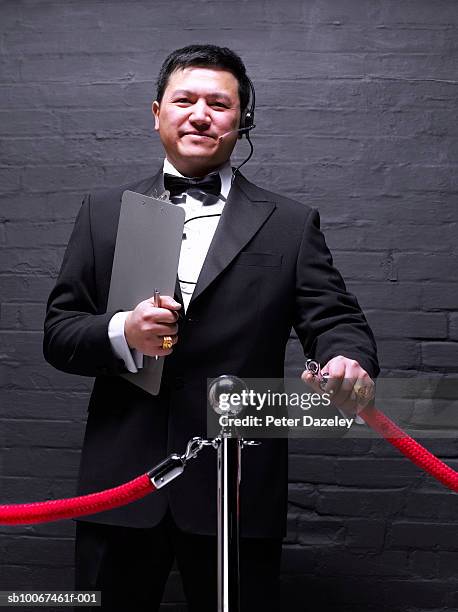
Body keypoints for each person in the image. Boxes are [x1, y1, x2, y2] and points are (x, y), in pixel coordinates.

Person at [43, 44, 379, 611]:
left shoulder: (291, 224)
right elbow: (59, 333)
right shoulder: (103, 211)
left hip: (238, 487)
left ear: (242, 118)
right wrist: (123, 331)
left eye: (219, 104)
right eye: (185, 100)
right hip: (121, 482)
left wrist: (349, 360)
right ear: (157, 113)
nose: (201, 114)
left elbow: (336, 319)